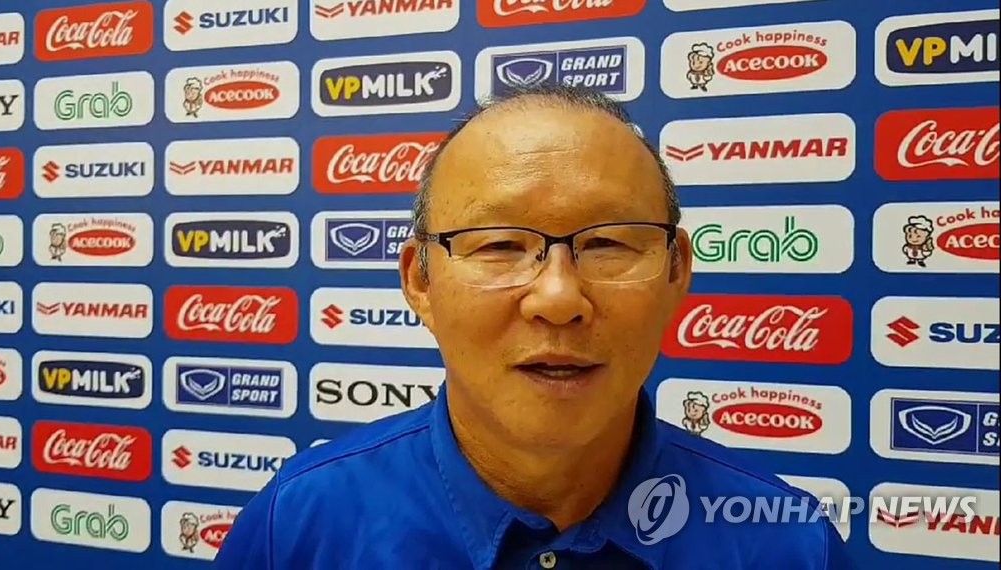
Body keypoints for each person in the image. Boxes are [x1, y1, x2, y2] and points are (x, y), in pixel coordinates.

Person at [214, 84, 854, 569]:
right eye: (499, 245)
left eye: (608, 242)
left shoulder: (790, 544)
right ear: (419, 282)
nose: (558, 297)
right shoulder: (297, 526)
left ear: (676, 271)